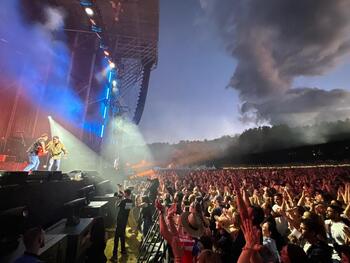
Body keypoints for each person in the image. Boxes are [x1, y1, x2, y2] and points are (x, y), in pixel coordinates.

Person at [110, 188, 133, 261]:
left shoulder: (123, 201)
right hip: (124, 221)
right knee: (122, 235)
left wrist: (119, 199)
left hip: (120, 221)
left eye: (124, 193)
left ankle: (114, 256)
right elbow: (126, 210)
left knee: (116, 238)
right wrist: (122, 198)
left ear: (126, 193)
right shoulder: (131, 201)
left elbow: (116, 206)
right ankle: (123, 250)